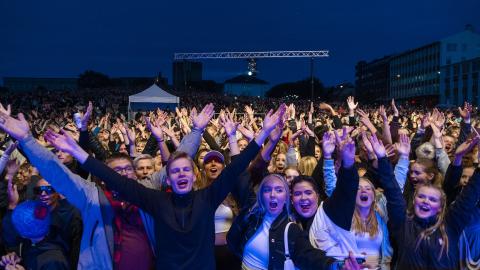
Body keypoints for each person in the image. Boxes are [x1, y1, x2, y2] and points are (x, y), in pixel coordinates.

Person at [40, 104, 287, 269]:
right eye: (175, 170)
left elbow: (236, 167)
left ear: (193, 174)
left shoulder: (209, 196)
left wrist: (263, 133)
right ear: (168, 178)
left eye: (186, 170)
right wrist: (78, 152)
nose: (181, 174)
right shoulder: (155, 201)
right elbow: (114, 179)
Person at [371, 132, 480, 269]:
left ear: (440, 207)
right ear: (414, 201)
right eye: (421, 197)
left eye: (432, 199)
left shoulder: (450, 227)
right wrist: (382, 158)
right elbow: (393, 193)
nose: (425, 201)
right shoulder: (403, 224)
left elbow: (467, 200)